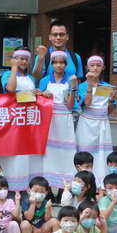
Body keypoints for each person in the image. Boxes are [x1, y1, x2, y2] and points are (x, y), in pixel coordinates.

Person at [1, 48, 41, 189]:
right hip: (13, 118)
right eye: (20, 58)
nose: (23, 62)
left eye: (26, 59)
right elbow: (10, 88)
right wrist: (13, 68)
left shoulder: (30, 78)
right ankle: (11, 184)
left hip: (27, 119)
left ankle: (25, 184)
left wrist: (38, 93)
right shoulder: (7, 74)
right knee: (14, 151)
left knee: (26, 153)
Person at [37, 50, 78, 183]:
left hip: (65, 120)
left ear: (66, 64)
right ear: (51, 64)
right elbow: (38, 101)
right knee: (49, 153)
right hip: (49, 120)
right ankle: (48, 186)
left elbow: (70, 105)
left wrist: (73, 88)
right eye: (55, 62)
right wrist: (43, 93)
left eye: (61, 62)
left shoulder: (70, 81)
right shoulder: (45, 81)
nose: (58, 65)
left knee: (66, 153)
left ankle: (63, 186)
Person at [75, 55, 116, 170]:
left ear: (103, 67)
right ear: (87, 67)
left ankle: (101, 177)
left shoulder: (107, 87)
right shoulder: (82, 86)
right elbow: (87, 103)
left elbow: (109, 111)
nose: (95, 68)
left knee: (102, 153)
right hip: (87, 123)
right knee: (85, 150)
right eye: (92, 65)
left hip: (102, 124)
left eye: (98, 65)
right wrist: (90, 84)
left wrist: (112, 100)